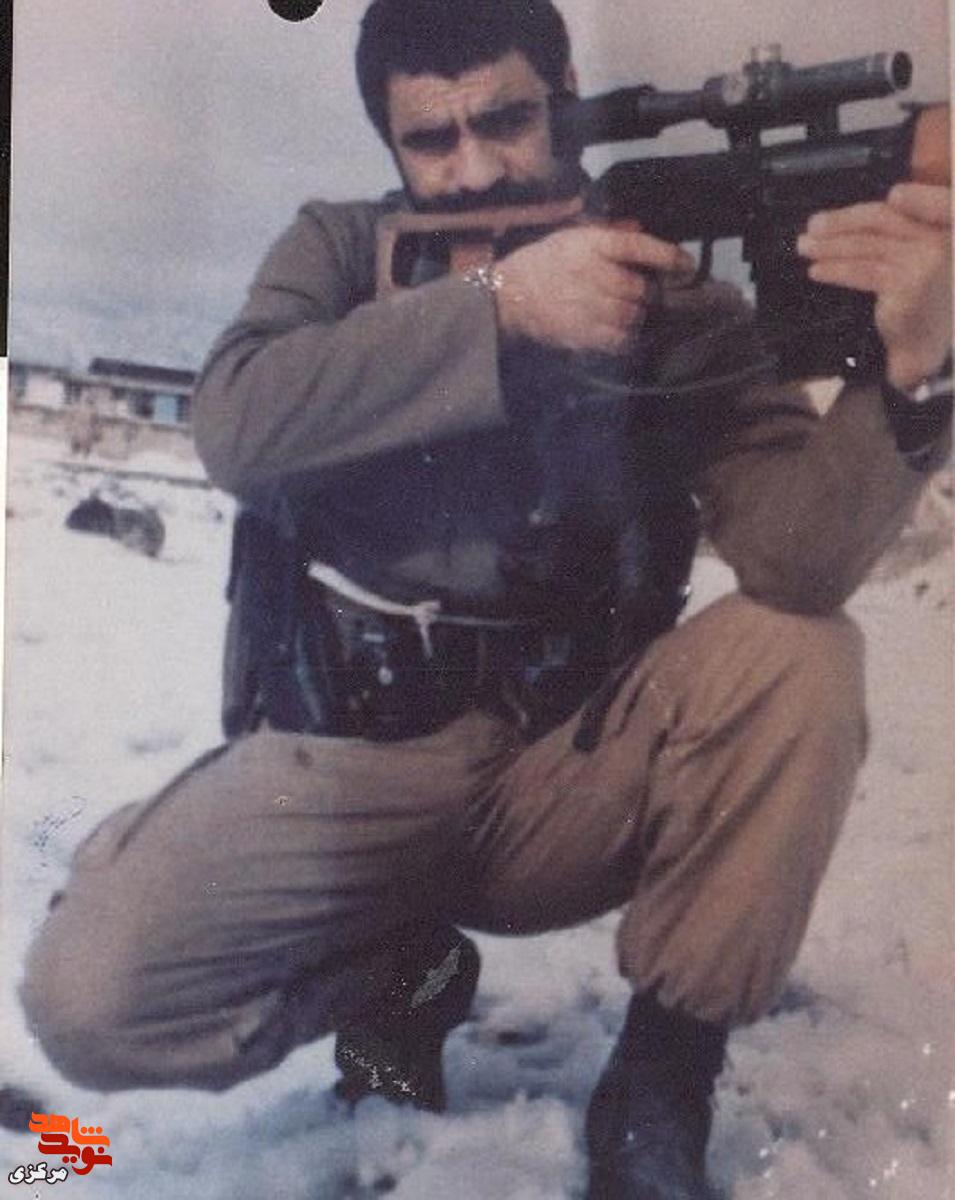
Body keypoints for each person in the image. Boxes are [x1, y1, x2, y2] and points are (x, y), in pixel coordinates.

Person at [20, 2, 951, 1196]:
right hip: (341, 775)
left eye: (505, 121)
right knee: (86, 1000)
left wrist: (912, 376)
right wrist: (500, 309)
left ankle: (660, 1083)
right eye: (432, 138)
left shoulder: (669, 296)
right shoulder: (340, 250)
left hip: (564, 775)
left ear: (563, 95)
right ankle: (399, 980)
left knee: (801, 654)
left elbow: (797, 561)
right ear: (388, 143)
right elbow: (236, 424)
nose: (473, 168)